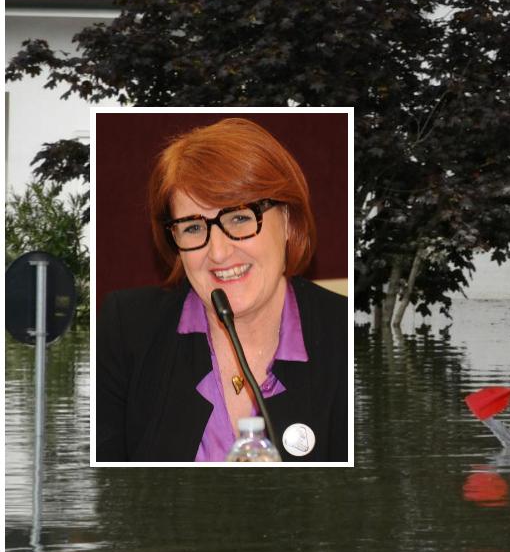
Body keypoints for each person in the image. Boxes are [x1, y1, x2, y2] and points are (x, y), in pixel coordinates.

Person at [96, 118, 348, 463]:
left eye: (240, 218)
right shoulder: (128, 331)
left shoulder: (345, 336)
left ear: (288, 220)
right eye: (193, 226)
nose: (217, 252)